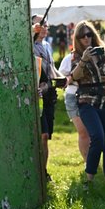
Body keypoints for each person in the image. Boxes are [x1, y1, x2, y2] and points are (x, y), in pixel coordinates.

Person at [70, 21, 105, 188]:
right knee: (97, 138)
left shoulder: (102, 52)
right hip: (87, 100)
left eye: (89, 34)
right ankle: (89, 178)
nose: (86, 38)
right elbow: (75, 76)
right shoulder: (76, 55)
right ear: (77, 38)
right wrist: (84, 60)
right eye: (82, 36)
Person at [32, 20, 60, 182]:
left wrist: (62, 78)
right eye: (39, 24)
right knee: (41, 135)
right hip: (35, 95)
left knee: (46, 135)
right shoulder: (28, 45)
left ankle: (43, 171)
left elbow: (51, 68)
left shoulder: (48, 46)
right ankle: (39, 171)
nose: (43, 28)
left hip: (49, 95)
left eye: (45, 25)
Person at [59, 51, 90, 161]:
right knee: (83, 132)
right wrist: (72, 77)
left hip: (91, 96)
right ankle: (88, 162)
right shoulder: (69, 59)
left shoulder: (95, 57)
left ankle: (93, 161)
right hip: (73, 96)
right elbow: (61, 77)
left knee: (92, 132)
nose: (86, 38)